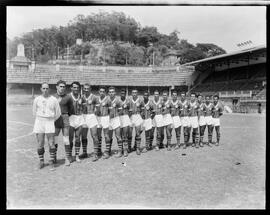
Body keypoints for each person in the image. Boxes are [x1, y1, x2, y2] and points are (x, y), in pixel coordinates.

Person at [33, 82, 61, 170]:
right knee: (40, 143)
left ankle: (51, 162)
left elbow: (58, 113)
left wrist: (51, 120)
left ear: (49, 89)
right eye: (43, 88)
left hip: (49, 122)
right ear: (41, 89)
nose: (45, 90)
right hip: (39, 121)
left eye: (47, 88)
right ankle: (41, 162)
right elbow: (34, 112)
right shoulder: (37, 99)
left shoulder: (53, 99)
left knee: (51, 143)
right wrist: (40, 118)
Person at [53, 80, 74, 166]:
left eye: (63, 87)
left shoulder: (68, 97)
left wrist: (65, 115)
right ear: (57, 87)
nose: (62, 88)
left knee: (66, 139)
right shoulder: (53, 97)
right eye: (60, 86)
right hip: (55, 119)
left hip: (65, 118)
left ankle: (67, 158)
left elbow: (71, 109)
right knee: (55, 139)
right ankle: (54, 157)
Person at [81, 83, 100, 162]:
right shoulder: (81, 97)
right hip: (84, 116)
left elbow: (98, 108)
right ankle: (85, 152)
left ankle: (95, 153)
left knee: (94, 135)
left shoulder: (95, 97)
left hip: (92, 116)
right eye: (84, 88)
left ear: (90, 89)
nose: (86, 90)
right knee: (84, 136)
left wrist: (95, 114)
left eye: (87, 88)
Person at [69, 81, 85, 162]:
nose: (76, 89)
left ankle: (77, 155)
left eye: (77, 88)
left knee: (78, 138)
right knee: (70, 138)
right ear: (71, 88)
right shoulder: (68, 97)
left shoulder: (82, 97)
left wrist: (81, 105)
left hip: (79, 117)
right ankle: (70, 156)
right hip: (71, 118)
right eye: (74, 87)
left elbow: (85, 108)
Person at [107, 87, 123, 158]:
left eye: (112, 92)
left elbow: (121, 111)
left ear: (115, 93)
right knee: (109, 136)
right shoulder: (106, 101)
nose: (111, 93)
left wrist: (116, 114)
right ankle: (108, 151)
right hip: (108, 120)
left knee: (118, 136)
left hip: (116, 119)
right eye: (110, 92)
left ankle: (120, 151)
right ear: (108, 93)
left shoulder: (118, 101)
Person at [96, 86, 111, 159]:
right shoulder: (96, 99)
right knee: (98, 135)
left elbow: (111, 110)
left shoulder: (108, 100)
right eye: (100, 91)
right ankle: (99, 150)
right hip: (98, 118)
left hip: (105, 117)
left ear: (105, 92)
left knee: (106, 135)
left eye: (103, 91)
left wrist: (109, 119)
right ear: (98, 92)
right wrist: (96, 111)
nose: (102, 93)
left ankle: (107, 151)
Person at [128, 89, 144, 155]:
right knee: (129, 133)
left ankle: (137, 148)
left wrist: (141, 117)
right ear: (131, 93)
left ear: (137, 93)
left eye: (135, 93)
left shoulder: (140, 100)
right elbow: (126, 109)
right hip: (131, 116)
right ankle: (129, 147)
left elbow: (143, 110)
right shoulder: (129, 100)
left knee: (138, 133)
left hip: (137, 116)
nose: (134, 94)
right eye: (133, 93)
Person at [119, 88, 132, 156]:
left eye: (124, 93)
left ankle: (125, 150)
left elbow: (130, 111)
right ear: (120, 94)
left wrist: (128, 118)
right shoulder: (118, 101)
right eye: (121, 93)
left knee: (125, 135)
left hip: (126, 118)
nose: (122, 95)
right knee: (119, 135)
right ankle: (120, 150)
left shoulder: (128, 101)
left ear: (125, 94)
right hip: (119, 118)